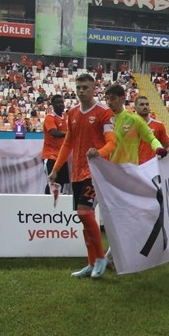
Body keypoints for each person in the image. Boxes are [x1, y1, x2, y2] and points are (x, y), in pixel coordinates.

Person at [50, 73, 115, 279]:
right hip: (77, 172)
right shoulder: (72, 113)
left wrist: (100, 152)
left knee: (84, 213)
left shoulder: (104, 112)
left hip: (95, 171)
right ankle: (90, 263)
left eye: (85, 87)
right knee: (84, 220)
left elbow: (111, 142)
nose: (81, 91)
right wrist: (56, 168)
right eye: (78, 87)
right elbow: (68, 143)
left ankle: (100, 258)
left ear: (94, 88)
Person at [134, 95, 169, 163]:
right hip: (133, 167)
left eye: (147, 104)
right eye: (141, 104)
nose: (145, 106)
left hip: (151, 167)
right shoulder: (129, 125)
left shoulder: (159, 125)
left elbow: (167, 147)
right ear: (135, 108)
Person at [42, 94, 68, 194]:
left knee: (62, 183)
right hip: (51, 155)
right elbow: (54, 133)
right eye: (58, 102)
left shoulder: (66, 117)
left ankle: (59, 206)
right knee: (52, 182)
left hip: (62, 156)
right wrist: (69, 134)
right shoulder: (50, 117)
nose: (61, 104)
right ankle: (47, 204)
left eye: (62, 102)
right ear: (52, 104)